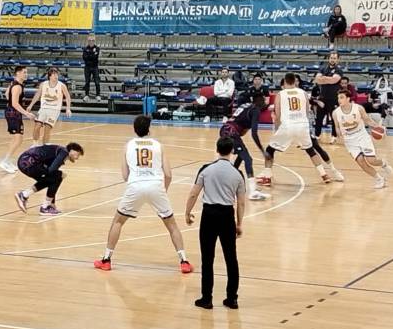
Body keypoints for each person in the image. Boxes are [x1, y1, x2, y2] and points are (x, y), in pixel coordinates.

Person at [94, 116, 193, 273]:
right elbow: (168, 174)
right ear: (149, 129)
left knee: (118, 222)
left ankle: (106, 260)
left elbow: (125, 175)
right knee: (172, 225)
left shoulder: (128, 146)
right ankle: (184, 261)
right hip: (156, 186)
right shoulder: (159, 146)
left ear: (134, 129)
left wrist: (136, 184)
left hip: (135, 186)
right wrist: (163, 191)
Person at [185, 137, 245, 310]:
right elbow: (240, 202)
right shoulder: (237, 174)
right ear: (232, 151)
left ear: (217, 150)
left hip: (209, 215)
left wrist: (188, 212)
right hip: (227, 216)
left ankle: (207, 298)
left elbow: (193, 193)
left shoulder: (206, 169)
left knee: (207, 258)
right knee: (231, 258)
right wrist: (239, 223)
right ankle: (232, 298)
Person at [259, 73, 344, 185]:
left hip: (288, 125)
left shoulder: (280, 94)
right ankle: (324, 175)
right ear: (295, 81)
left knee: (270, 150)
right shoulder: (303, 93)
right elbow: (307, 111)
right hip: (302, 125)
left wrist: (278, 128)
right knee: (311, 150)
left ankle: (267, 177)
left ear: (284, 82)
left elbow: (278, 114)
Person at [333, 90, 393, 189]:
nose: (339, 100)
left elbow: (367, 120)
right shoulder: (335, 113)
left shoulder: (358, 108)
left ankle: (383, 164)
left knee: (371, 160)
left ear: (348, 98)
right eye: (338, 98)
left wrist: (379, 127)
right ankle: (379, 179)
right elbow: (337, 127)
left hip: (361, 136)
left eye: (341, 97)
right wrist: (339, 136)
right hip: (349, 140)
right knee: (361, 162)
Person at [219, 95, 268, 200]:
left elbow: (239, 122)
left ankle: (228, 180)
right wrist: (262, 150)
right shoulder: (256, 110)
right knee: (248, 159)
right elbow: (254, 134)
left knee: (242, 155)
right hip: (231, 133)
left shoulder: (245, 106)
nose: (266, 102)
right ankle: (253, 191)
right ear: (260, 103)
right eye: (264, 100)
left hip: (225, 129)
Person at [15, 142, 84, 216]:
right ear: (72, 150)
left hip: (25, 162)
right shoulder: (64, 152)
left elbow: (51, 176)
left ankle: (25, 195)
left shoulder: (59, 152)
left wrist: (52, 202)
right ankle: (44, 206)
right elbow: (52, 170)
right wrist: (60, 174)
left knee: (52, 179)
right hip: (29, 162)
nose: (77, 158)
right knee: (57, 176)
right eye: (78, 154)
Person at [0, 66, 35, 173]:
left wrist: (11, 103)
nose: (26, 74)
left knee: (16, 139)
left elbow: (6, 94)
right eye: (24, 72)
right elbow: (15, 103)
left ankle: (7, 160)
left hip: (13, 112)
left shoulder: (14, 83)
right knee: (19, 138)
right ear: (18, 73)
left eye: (26, 72)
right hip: (13, 113)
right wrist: (26, 114)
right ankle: (4, 161)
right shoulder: (17, 87)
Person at [27, 67, 72, 146]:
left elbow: (68, 97)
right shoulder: (43, 84)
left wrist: (68, 109)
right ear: (50, 76)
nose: (56, 76)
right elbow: (37, 95)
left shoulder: (61, 85)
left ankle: (45, 147)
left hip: (55, 110)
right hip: (43, 108)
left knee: (47, 128)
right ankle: (34, 145)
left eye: (57, 74)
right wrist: (30, 105)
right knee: (37, 126)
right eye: (54, 74)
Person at [313, 51, 343, 142]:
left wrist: (324, 78)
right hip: (322, 97)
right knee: (319, 117)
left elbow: (334, 80)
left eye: (334, 58)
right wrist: (327, 79)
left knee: (334, 117)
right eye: (331, 58)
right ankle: (317, 135)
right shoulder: (323, 68)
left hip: (333, 98)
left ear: (337, 59)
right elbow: (317, 80)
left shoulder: (339, 70)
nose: (332, 59)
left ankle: (334, 136)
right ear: (328, 58)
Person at [83, 34, 101, 101]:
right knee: (87, 82)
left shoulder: (97, 48)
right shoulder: (85, 49)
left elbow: (95, 58)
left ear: (94, 41)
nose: (91, 42)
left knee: (97, 82)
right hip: (87, 67)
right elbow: (85, 58)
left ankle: (98, 95)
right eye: (90, 40)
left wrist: (90, 55)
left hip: (95, 67)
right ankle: (86, 95)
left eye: (92, 40)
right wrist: (92, 54)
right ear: (88, 41)